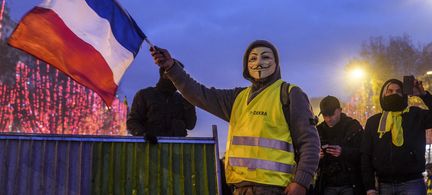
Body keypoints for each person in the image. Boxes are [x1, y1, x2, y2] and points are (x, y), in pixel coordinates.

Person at [150, 40, 320, 195]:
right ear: (246, 66)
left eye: (266, 57)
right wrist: (171, 67)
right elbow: (198, 93)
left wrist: (301, 182)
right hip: (239, 189)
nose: (259, 62)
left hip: (276, 189)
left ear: (276, 64)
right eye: (252, 59)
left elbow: (310, 142)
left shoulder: (290, 94)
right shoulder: (237, 98)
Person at [361, 78, 432, 195]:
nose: (394, 94)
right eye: (390, 91)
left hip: (412, 183)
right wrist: (370, 187)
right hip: (384, 185)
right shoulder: (374, 122)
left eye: (398, 91)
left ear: (404, 95)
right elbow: (366, 156)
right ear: (383, 95)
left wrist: (423, 95)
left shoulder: (416, 115)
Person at [126, 63, 197, 142]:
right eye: (176, 74)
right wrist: (143, 134)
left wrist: (190, 102)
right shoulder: (145, 95)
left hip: (177, 149)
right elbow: (132, 122)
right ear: (164, 75)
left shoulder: (182, 99)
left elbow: (190, 125)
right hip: (150, 147)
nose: (178, 79)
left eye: (180, 76)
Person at [315, 96, 364, 195]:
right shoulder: (318, 130)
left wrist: (343, 152)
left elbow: (363, 153)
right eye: (324, 115)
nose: (328, 119)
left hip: (350, 184)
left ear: (340, 110)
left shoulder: (353, 127)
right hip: (327, 184)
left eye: (331, 114)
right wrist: (317, 157)